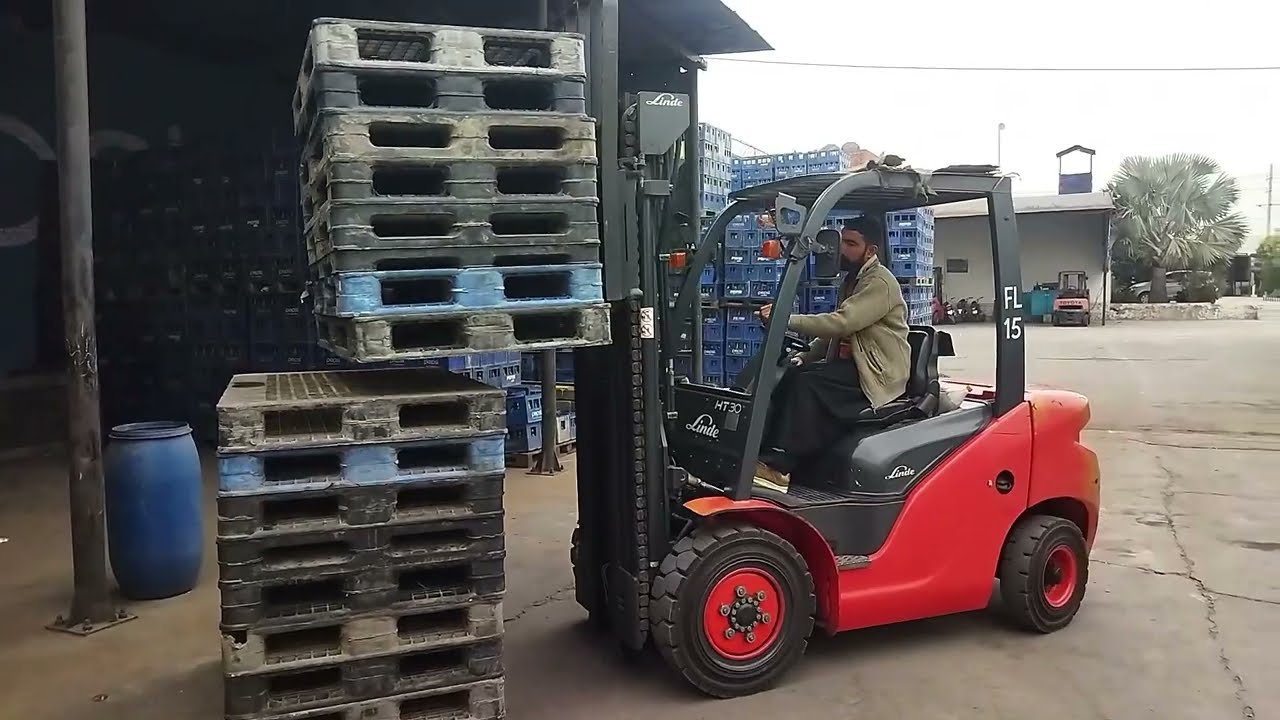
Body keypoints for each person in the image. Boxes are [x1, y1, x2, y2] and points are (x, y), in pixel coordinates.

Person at [753, 216, 911, 490]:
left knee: (807, 385)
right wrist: (805, 356)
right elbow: (836, 335)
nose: (842, 249)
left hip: (875, 374)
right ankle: (766, 455)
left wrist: (784, 318)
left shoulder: (879, 282)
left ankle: (779, 468)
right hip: (854, 366)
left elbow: (842, 322)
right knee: (790, 377)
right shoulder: (852, 280)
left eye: (851, 244)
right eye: (841, 242)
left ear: (870, 251)